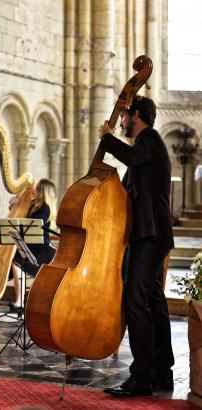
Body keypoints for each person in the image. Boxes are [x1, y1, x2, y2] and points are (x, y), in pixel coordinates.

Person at [98, 95, 175, 397]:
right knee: (154, 301)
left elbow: (131, 157)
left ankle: (141, 377)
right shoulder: (144, 150)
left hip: (150, 235)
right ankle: (160, 371)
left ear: (137, 115)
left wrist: (107, 138)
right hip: (149, 235)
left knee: (135, 300)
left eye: (125, 116)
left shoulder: (150, 140)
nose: (121, 122)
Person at [8, 178, 58, 313]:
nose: (33, 191)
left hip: (43, 251)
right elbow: (20, 218)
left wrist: (19, 208)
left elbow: (28, 225)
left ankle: (20, 303)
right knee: (14, 262)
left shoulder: (44, 208)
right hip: (32, 248)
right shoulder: (33, 205)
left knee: (17, 263)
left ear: (43, 192)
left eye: (36, 189)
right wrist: (14, 206)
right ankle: (19, 302)